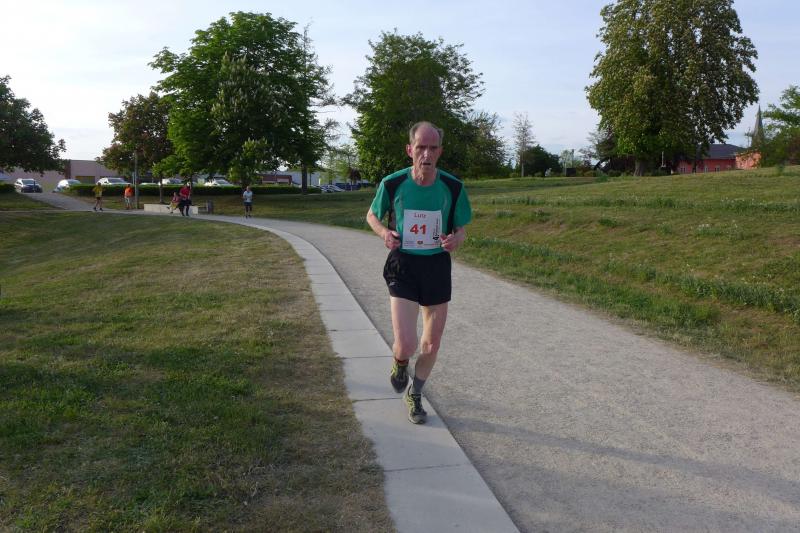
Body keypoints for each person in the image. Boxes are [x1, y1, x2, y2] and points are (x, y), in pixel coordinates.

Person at [366, 121, 472, 424]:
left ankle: (415, 394)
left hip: (436, 266)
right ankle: (400, 362)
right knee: (407, 344)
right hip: (404, 265)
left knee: (431, 344)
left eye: (432, 148)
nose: (426, 153)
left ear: (440, 152)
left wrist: (456, 239)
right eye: (420, 147)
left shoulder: (453, 186)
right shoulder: (393, 183)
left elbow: (461, 228)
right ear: (409, 150)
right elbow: (372, 215)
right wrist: (384, 233)